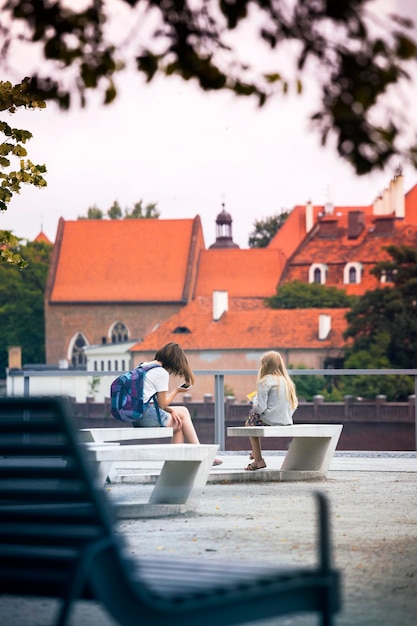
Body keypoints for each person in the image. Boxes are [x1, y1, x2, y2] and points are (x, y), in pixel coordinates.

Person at [133, 341, 222, 465]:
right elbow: (162, 404)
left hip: (135, 414)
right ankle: (199, 455)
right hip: (145, 416)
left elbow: (153, 401)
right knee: (181, 420)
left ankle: (178, 462)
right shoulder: (160, 373)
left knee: (180, 419)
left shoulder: (143, 366)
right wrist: (177, 391)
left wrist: (172, 410)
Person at [244, 351, 298, 471]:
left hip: (270, 420)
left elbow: (260, 408)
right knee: (253, 420)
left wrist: (254, 401)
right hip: (286, 420)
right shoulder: (287, 381)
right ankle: (255, 453)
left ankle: (258, 460)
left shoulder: (264, 381)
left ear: (265, 365)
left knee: (249, 423)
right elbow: (294, 404)